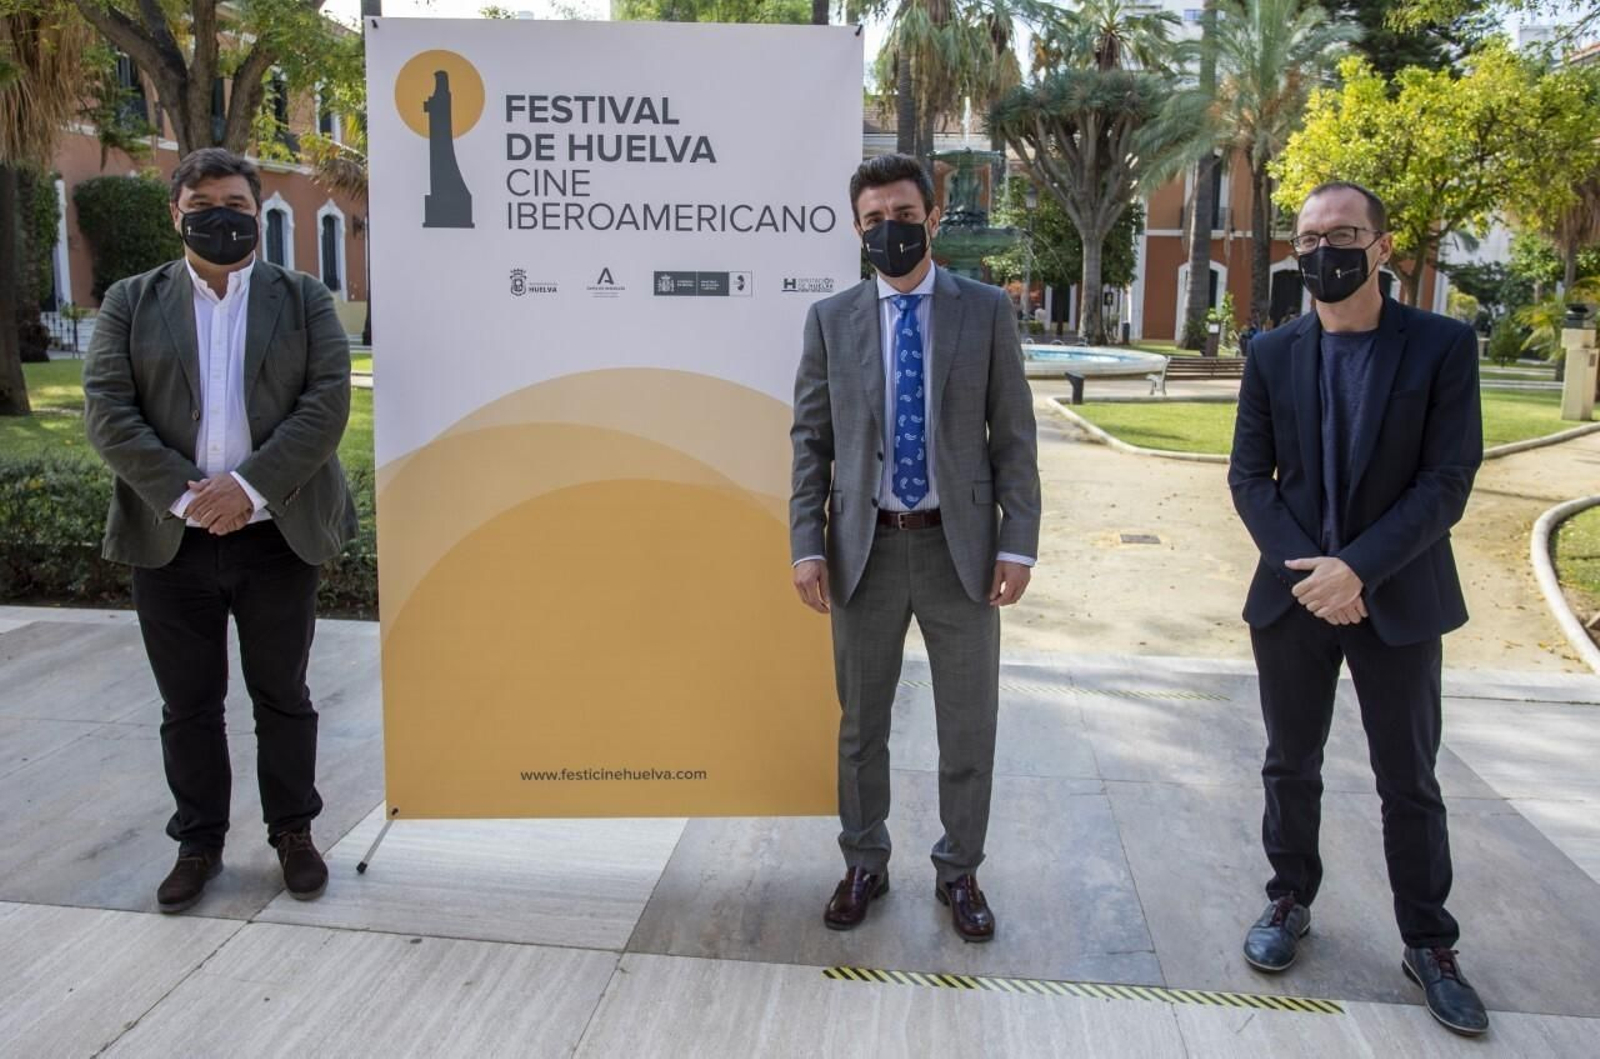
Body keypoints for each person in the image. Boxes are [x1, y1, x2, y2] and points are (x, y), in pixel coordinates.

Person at [1228, 181, 1488, 1037]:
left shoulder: (1444, 347)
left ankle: (1429, 941)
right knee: (1289, 762)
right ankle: (1289, 900)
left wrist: (1360, 572)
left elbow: (1445, 482)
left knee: (1407, 779)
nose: (1320, 252)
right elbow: (1248, 480)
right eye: (1306, 238)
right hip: (1295, 594)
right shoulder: (1271, 352)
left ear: (1381, 247)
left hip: (1400, 596)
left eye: (1340, 234)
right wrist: (1315, 572)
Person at [84, 148, 357, 914]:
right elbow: (108, 409)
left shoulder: (303, 297)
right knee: (189, 704)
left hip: (275, 535)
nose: (221, 214)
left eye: (236, 202)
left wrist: (247, 488)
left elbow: (326, 403)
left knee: (284, 696)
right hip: (171, 542)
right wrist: (189, 497)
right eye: (203, 202)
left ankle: (294, 832)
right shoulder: (131, 301)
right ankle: (198, 842)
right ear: (177, 212)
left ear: (257, 212)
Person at [789, 154, 1041, 942]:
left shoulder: (986, 310)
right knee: (861, 725)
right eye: (874, 219)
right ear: (857, 228)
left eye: (904, 215)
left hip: (957, 551)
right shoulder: (832, 320)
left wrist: (1019, 544)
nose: (889, 229)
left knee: (969, 724)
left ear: (932, 220)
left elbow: (1015, 436)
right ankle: (864, 858)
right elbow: (811, 442)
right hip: (863, 551)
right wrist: (806, 543)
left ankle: (959, 870)